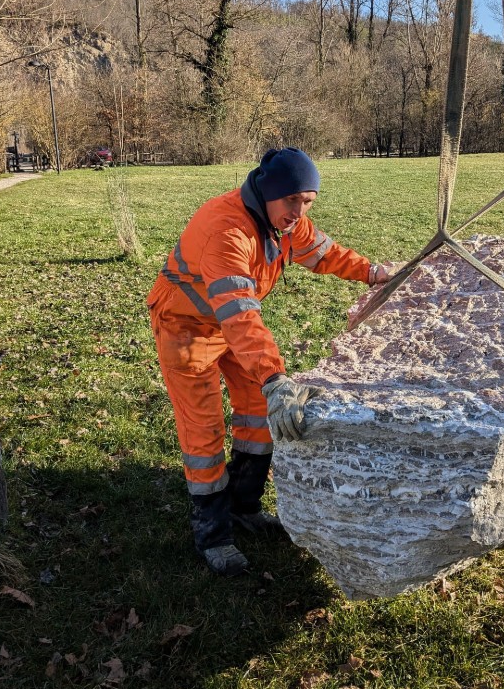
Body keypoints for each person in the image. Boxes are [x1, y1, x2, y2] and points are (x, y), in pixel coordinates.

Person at [147, 148, 391, 576]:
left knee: (258, 412)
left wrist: (372, 273)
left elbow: (324, 253)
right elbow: (239, 314)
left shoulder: (283, 222)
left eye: (308, 201)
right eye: (292, 200)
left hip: (231, 323)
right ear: (268, 192)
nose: (299, 211)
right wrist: (275, 377)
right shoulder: (227, 230)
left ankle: (244, 507)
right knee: (204, 432)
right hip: (187, 327)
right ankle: (214, 536)